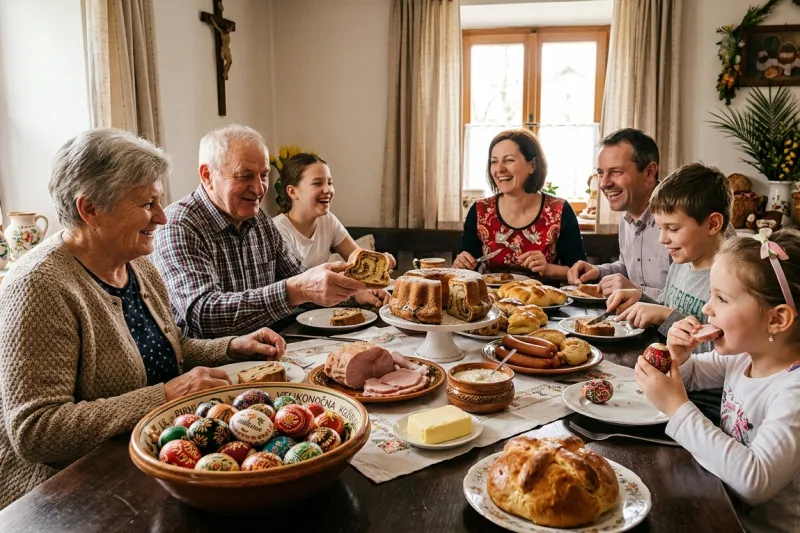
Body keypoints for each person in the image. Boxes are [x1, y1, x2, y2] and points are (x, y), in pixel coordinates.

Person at [0, 129, 286, 509]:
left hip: (150, 456)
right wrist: (164, 396)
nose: (162, 217)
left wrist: (232, 347)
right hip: (69, 493)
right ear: (90, 209)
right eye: (148, 204)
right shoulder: (39, 285)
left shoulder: (138, 264)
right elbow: (36, 430)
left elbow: (168, 348)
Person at [151, 124, 388, 339]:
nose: (258, 188)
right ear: (207, 176)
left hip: (270, 350)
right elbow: (203, 315)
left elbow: (302, 281)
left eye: (264, 175)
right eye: (245, 176)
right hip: (210, 365)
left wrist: (352, 296)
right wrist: (295, 290)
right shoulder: (178, 225)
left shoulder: (260, 220)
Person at [636, 228, 800, 533]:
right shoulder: (744, 357)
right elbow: (692, 377)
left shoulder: (793, 392)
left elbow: (755, 481)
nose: (706, 308)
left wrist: (677, 408)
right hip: (718, 500)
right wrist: (678, 358)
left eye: (722, 299)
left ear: (776, 319)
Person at [606, 163, 733, 341]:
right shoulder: (681, 264)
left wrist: (666, 316)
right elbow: (664, 308)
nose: (662, 239)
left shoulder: (731, 281)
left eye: (673, 229)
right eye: (660, 228)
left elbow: (723, 349)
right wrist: (641, 299)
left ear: (712, 224)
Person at [453, 129, 586, 279]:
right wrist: (461, 266)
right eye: (494, 161)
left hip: (543, 294)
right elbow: (467, 268)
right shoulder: (480, 210)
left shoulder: (560, 210)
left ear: (532, 165)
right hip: (490, 294)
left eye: (509, 160)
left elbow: (581, 272)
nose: (499, 169)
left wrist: (549, 269)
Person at [567, 129, 668, 297]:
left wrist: (637, 292)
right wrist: (598, 271)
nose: (603, 183)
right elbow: (628, 268)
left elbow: (688, 299)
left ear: (649, 173)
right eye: (601, 173)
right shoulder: (626, 214)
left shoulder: (679, 218)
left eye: (616, 172)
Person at [272, 153, 395, 269]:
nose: (328, 190)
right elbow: (294, 280)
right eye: (317, 183)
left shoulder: (328, 220)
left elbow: (360, 262)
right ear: (293, 192)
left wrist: (382, 261)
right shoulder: (277, 231)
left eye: (329, 183)